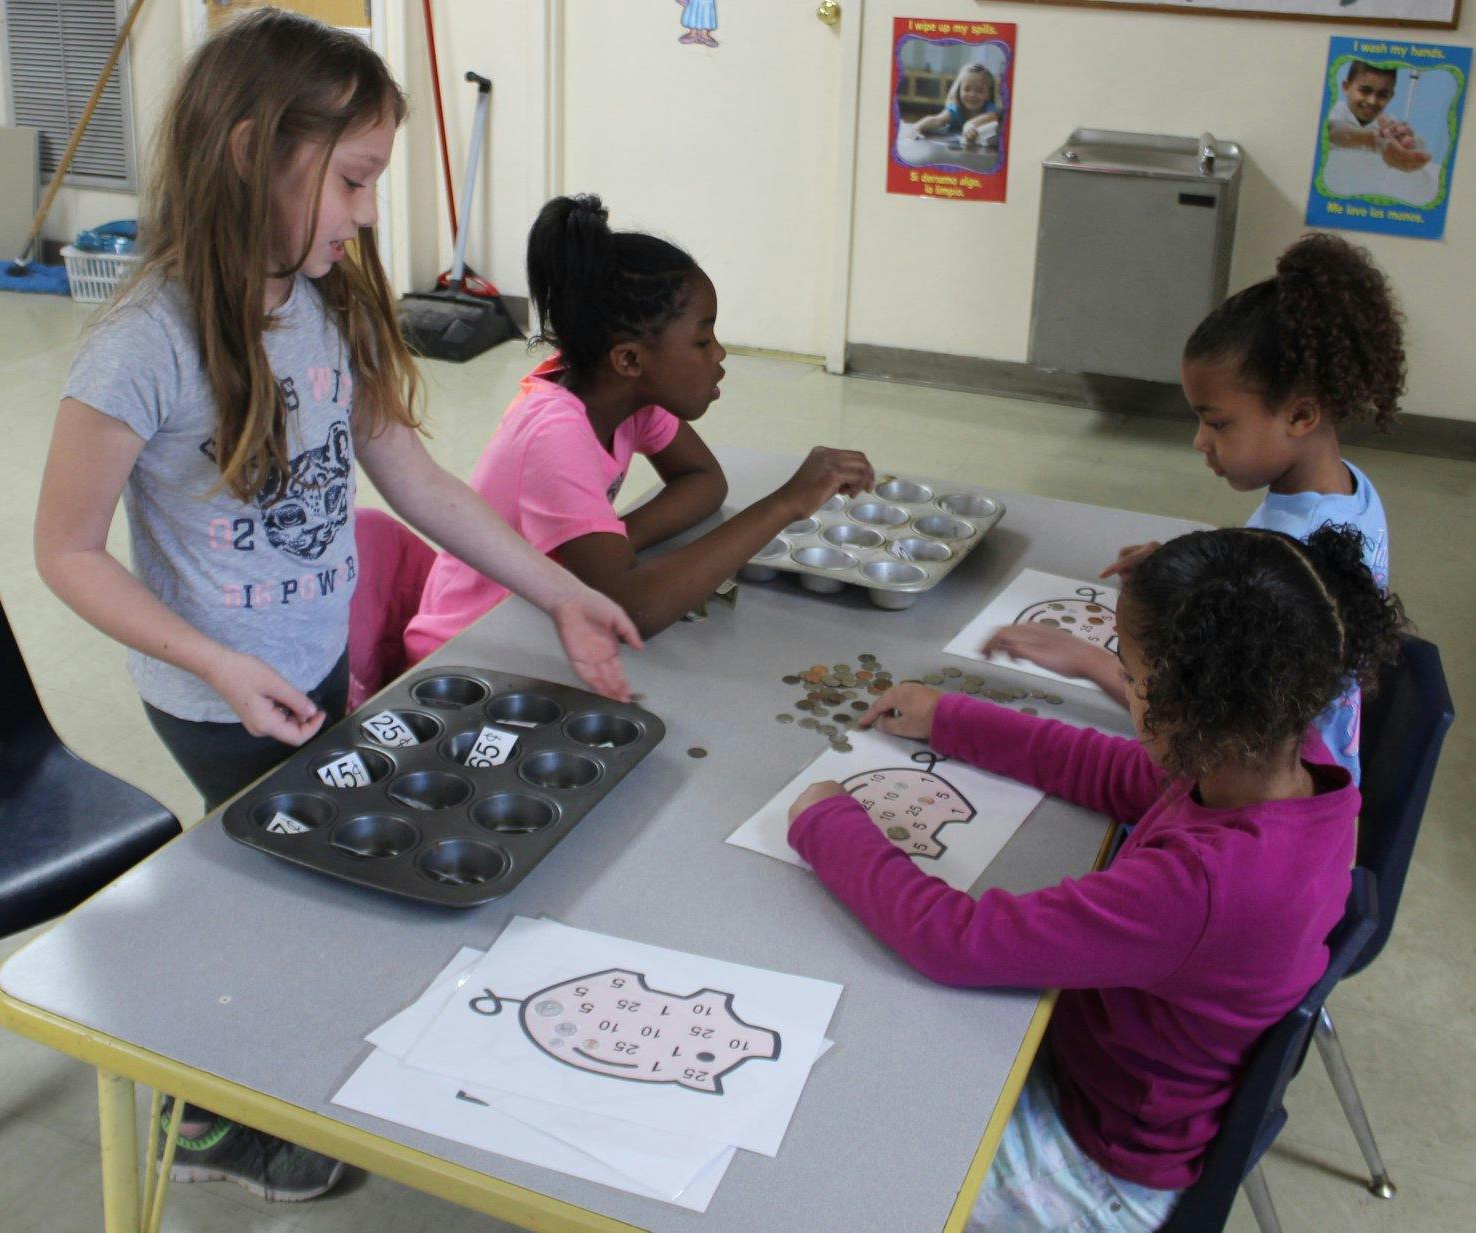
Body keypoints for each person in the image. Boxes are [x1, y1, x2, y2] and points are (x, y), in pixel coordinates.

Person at [34, 10, 640, 1202]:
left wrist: (563, 591)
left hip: (301, 670)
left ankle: (248, 1074)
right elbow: (66, 551)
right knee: (275, 894)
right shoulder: (140, 350)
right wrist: (210, 662)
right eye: (355, 180)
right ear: (255, 151)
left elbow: (412, 476)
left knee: (290, 884)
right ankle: (205, 1117)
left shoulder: (321, 303)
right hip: (215, 696)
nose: (368, 214)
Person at [790, 525, 1406, 1232]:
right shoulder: (1284, 756)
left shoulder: (1201, 886)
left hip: (1097, 1167)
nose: (1123, 686)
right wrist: (952, 719)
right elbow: (1114, 773)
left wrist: (824, 822)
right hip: (1113, 1079)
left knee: (851, 1169)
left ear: (1193, 706)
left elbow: (954, 940)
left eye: (1133, 677)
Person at [985, 233, 1402, 782]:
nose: (1199, 442)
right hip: (1320, 767)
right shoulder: (1353, 491)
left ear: (1300, 415)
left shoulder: (1298, 543)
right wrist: (1194, 568)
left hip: (1259, 786)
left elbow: (1206, 722)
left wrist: (1087, 660)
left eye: (1218, 422)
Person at [402, 194, 873, 662]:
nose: (719, 355)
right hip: (466, 649)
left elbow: (705, 482)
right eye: (702, 340)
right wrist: (786, 503)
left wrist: (613, 542)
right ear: (629, 359)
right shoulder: (556, 435)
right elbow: (634, 609)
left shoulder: (627, 394)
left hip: (535, 624)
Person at [912, 62, 1001, 147]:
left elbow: (991, 117)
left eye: (979, 90)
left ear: (988, 94)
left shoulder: (989, 108)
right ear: (959, 91)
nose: (972, 94)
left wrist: (969, 125)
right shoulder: (956, 110)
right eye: (967, 89)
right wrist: (916, 128)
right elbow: (937, 120)